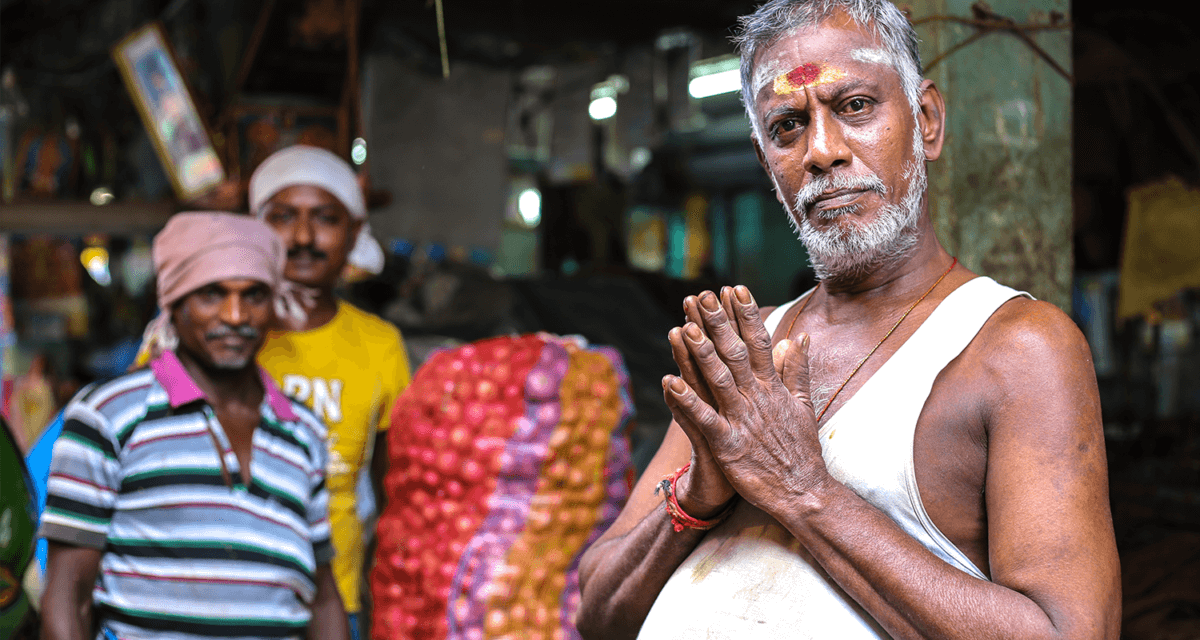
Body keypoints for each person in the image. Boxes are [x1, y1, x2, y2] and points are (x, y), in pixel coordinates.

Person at [576, 1, 1121, 638]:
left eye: (856, 106)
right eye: (787, 126)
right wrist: (700, 493)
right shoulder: (748, 354)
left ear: (926, 121)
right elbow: (598, 613)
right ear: (766, 164)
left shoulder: (1015, 348)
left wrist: (805, 491)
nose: (822, 152)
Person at [38, 213, 350, 640]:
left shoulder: (303, 431)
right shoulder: (110, 415)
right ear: (175, 304)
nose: (236, 315)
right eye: (211, 295)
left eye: (255, 295)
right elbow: (67, 596)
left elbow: (323, 598)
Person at [249, 145, 412, 637]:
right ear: (254, 227)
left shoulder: (379, 345)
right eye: (282, 217)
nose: (302, 238)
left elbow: (396, 493)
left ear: (356, 232)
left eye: (324, 218)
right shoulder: (219, 332)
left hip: (332, 602)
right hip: (222, 594)